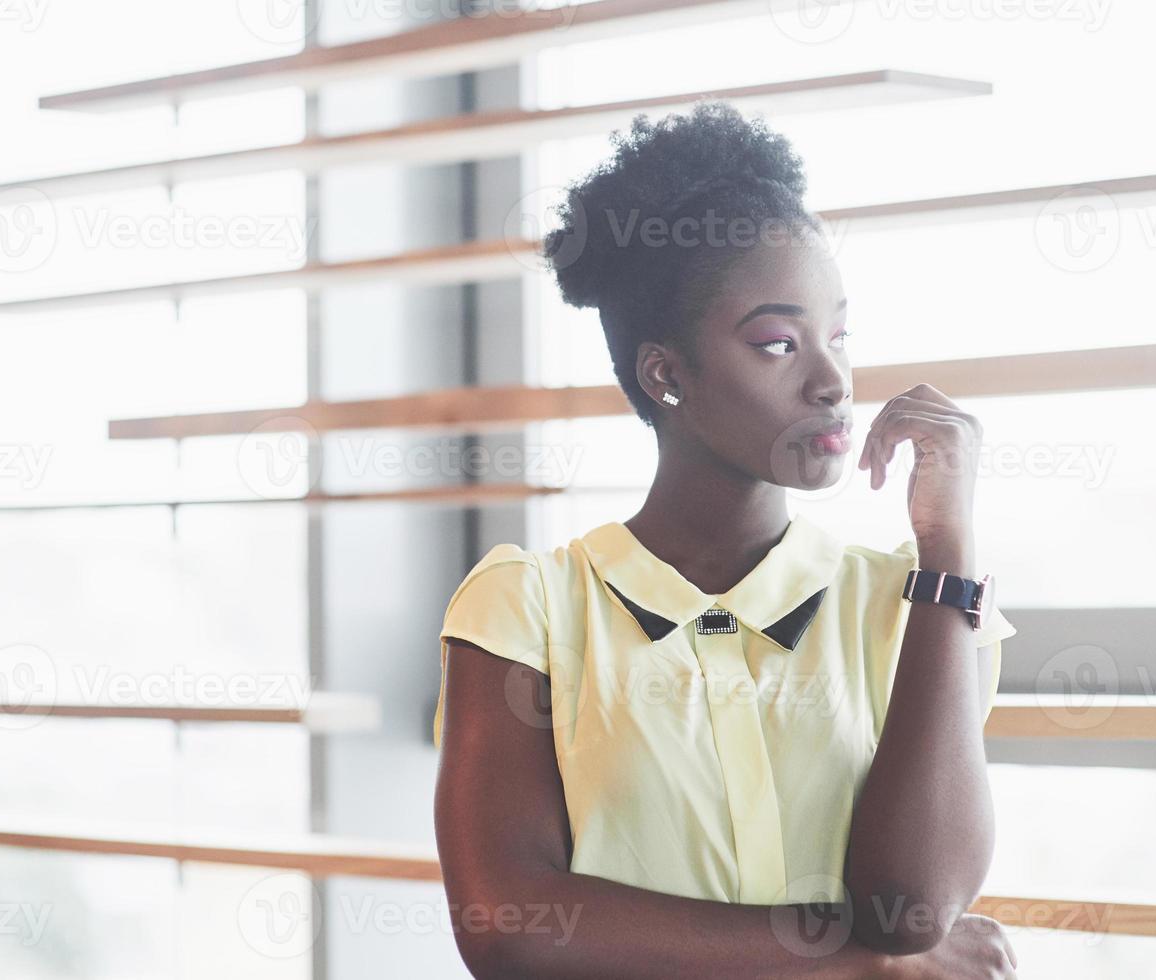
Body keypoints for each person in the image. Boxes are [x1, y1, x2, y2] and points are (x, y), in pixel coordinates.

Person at [433, 100, 1019, 979]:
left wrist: (949, 548)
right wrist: (873, 970)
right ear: (666, 374)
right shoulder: (528, 608)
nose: (832, 381)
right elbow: (511, 928)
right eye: (779, 343)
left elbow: (911, 905)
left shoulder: (916, 604)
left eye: (840, 336)